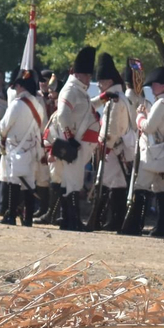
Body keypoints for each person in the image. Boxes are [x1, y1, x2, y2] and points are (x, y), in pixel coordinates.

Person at [124, 63, 164, 236]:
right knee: (161, 189)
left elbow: (148, 127)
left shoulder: (161, 103)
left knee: (141, 186)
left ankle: (135, 225)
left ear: (162, 85)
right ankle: (163, 227)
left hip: (152, 153)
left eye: (155, 85)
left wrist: (140, 116)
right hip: (162, 153)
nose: (153, 88)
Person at [48, 47, 99, 232]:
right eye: (85, 75)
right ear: (76, 73)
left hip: (79, 143)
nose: (88, 78)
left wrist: (102, 98)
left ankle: (69, 220)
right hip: (73, 144)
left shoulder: (80, 90)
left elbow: (85, 109)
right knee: (73, 182)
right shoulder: (70, 89)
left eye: (89, 74)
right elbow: (62, 114)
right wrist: (70, 138)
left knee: (71, 181)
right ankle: (72, 220)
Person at [88, 54, 136, 231]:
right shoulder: (114, 97)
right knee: (116, 185)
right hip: (115, 151)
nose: (99, 84)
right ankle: (112, 221)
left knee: (105, 184)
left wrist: (104, 148)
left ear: (108, 81)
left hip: (112, 150)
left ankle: (101, 220)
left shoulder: (116, 100)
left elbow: (112, 130)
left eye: (101, 81)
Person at [0, 68, 47, 227]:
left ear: (20, 86)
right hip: (32, 150)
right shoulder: (38, 106)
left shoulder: (17, 104)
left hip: (16, 148)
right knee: (29, 184)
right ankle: (28, 219)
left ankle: (10, 215)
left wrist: (1, 139)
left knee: (13, 181)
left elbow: (4, 126)